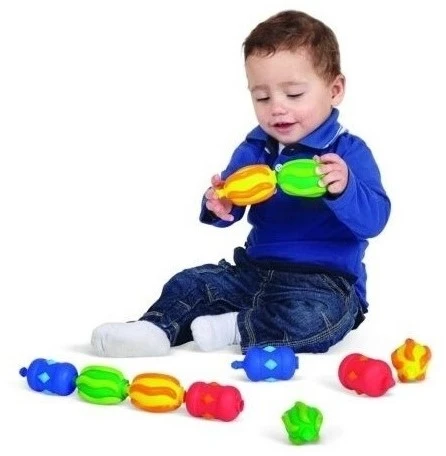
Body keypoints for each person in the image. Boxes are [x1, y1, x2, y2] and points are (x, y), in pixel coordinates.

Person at [91, 10, 390, 357]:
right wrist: (220, 204)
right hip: (254, 271)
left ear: (335, 90)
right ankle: (154, 329)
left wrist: (345, 187)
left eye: (294, 94)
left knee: (318, 320)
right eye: (262, 97)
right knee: (192, 282)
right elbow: (230, 201)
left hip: (324, 283)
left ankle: (234, 327)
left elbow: (375, 220)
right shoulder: (256, 148)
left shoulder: (347, 152)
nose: (276, 108)